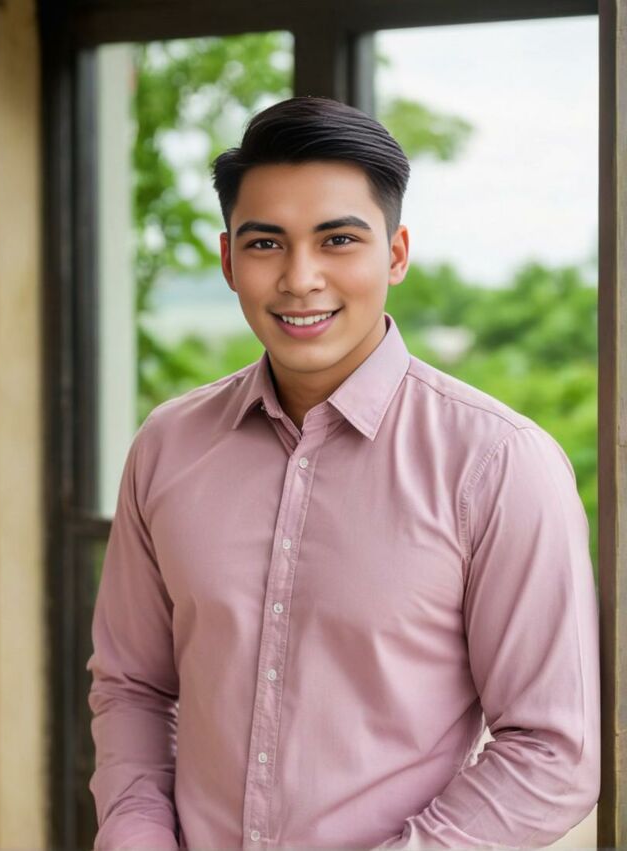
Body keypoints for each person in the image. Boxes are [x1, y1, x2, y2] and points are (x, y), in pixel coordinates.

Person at [86, 95, 601, 851]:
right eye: (266, 243)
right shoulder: (168, 446)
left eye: (338, 240)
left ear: (395, 254)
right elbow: (133, 687)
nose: (300, 278)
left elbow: (553, 753)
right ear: (228, 260)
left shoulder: (499, 464)